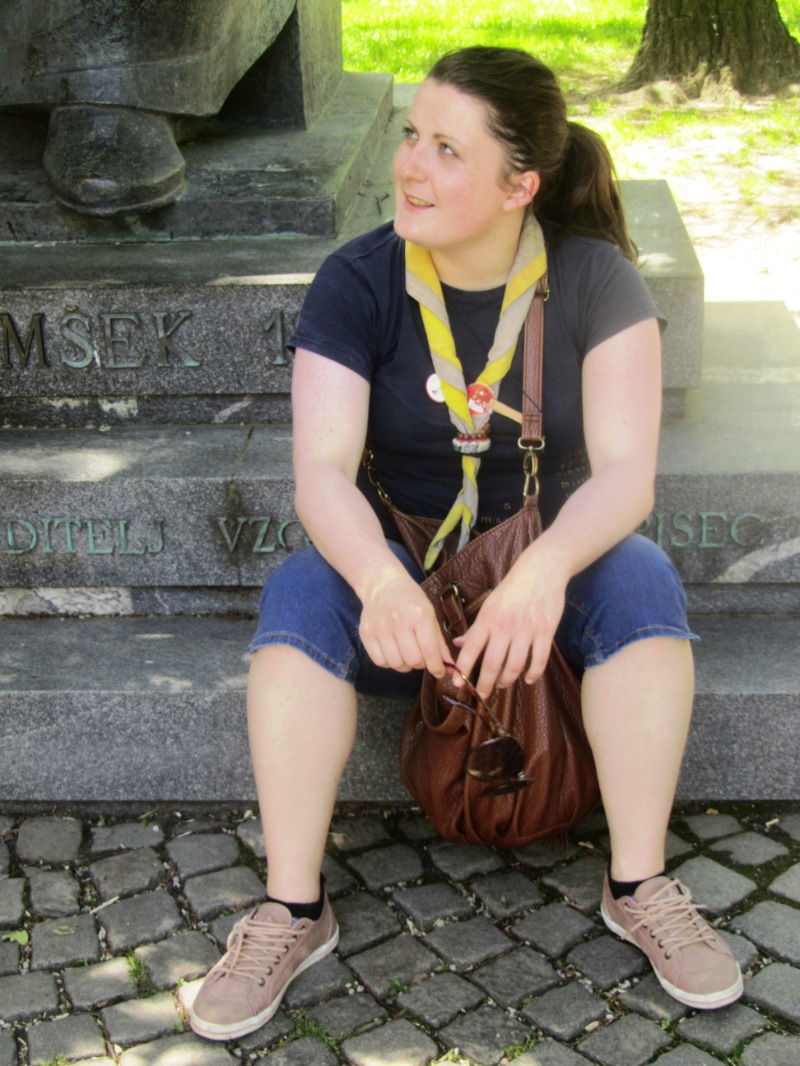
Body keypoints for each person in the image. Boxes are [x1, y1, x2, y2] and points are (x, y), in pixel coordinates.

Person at [189, 45, 743, 1041]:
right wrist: (377, 580)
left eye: (447, 149)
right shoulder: (357, 278)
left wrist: (541, 573)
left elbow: (626, 477)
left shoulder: (595, 279)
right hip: (403, 574)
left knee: (642, 580)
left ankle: (639, 885)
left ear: (518, 186)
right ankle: (291, 909)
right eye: (412, 135)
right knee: (299, 598)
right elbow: (321, 474)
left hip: (545, 577)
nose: (409, 165)